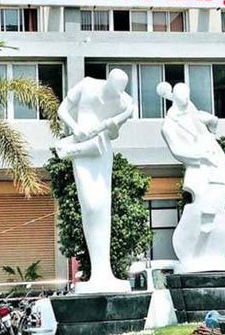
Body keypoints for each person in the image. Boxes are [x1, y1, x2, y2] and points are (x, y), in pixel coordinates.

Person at [56, 68, 135, 293]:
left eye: (120, 91)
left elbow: (114, 134)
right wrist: (76, 127)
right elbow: (62, 109)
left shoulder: (123, 102)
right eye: (114, 90)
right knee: (90, 206)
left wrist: (113, 126)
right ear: (108, 81)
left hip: (101, 150)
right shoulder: (88, 84)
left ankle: (104, 271)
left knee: (102, 206)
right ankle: (97, 270)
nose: (116, 95)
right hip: (82, 148)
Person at [157, 82, 225, 273]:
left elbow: (212, 130)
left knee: (218, 203)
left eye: (187, 97)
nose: (186, 101)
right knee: (202, 205)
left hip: (217, 163)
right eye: (182, 98)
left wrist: (212, 120)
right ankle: (195, 248)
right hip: (198, 167)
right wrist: (201, 157)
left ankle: (215, 248)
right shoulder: (168, 125)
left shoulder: (192, 109)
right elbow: (177, 151)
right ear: (175, 98)